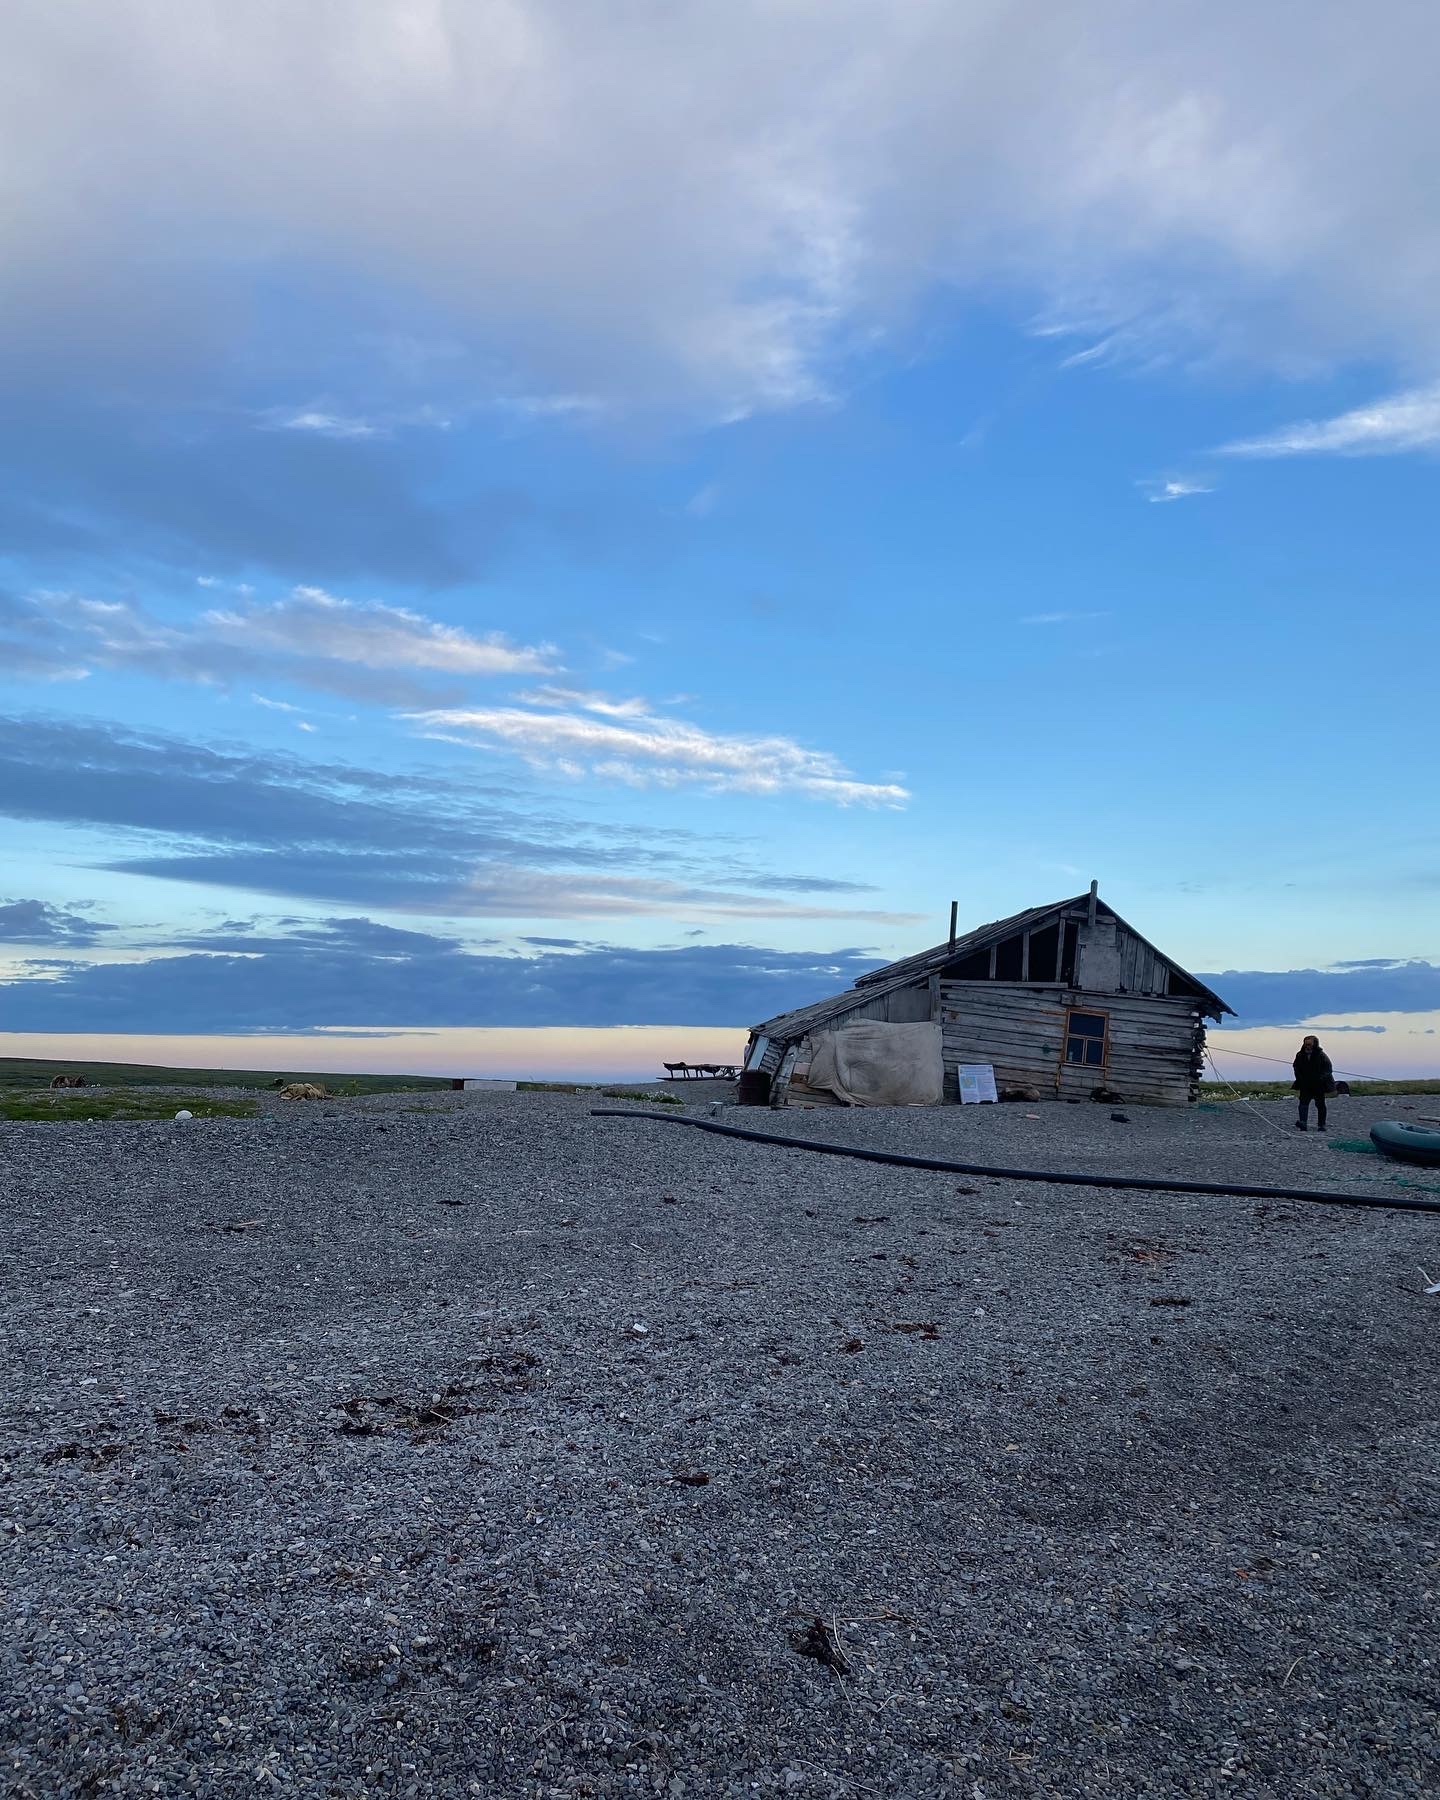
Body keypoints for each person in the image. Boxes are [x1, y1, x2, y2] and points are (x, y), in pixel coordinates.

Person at [1292, 1035, 1334, 1131]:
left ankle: (1321, 1125)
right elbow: (1295, 1067)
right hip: (1305, 1084)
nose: (1307, 1046)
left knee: (1320, 1104)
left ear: (1314, 1044)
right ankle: (1303, 1123)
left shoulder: (1321, 1055)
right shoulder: (1300, 1055)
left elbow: (1329, 1069)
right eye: (1306, 1044)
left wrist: (1320, 1078)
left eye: (1309, 1044)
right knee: (1303, 1103)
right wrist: (1299, 1078)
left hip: (1318, 1085)